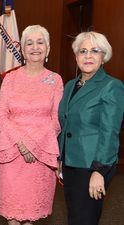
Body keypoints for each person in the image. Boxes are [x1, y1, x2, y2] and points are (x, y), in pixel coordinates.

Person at [0, 25, 63, 225]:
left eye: (40, 42)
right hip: (12, 151)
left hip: (41, 153)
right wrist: (22, 143)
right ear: (23, 50)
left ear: (48, 48)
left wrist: (33, 145)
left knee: (31, 218)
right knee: (13, 217)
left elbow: (57, 119)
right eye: (29, 43)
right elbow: (1, 114)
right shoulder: (10, 78)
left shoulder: (55, 80)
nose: (35, 47)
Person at [58, 31, 124, 225]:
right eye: (82, 51)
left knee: (84, 218)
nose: (88, 56)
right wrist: (60, 158)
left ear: (103, 57)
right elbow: (66, 123)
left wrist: (99, 171)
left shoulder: (112, 86)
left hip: (92, 166)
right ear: (76, 56)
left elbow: (109, 132)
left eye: (95, 51)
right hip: (70, 164)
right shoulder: (71, 85)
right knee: (75, 216)